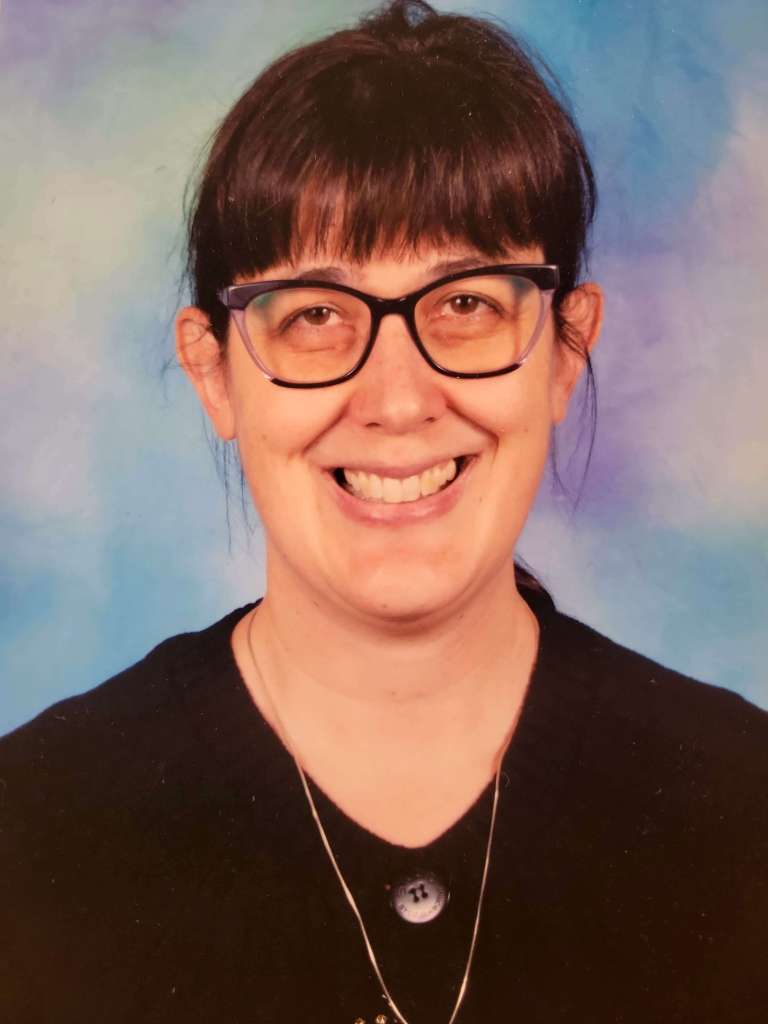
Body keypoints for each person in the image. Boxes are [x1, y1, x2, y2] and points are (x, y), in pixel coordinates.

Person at [2, 2, 766, 1021]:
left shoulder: (739, 805)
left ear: (567, 351)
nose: (400, 399)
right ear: (213, 372)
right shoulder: (36, 824)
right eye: (317, 314)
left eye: (467, 302)